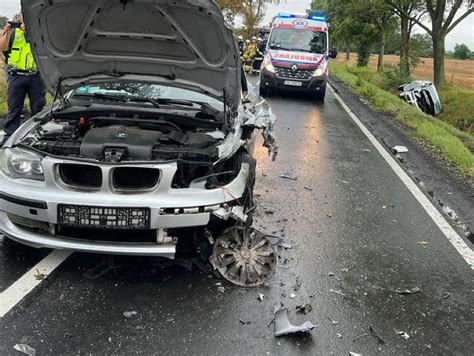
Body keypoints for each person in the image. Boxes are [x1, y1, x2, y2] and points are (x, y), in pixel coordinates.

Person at [0, 13, 46, 145]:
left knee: (38, 107)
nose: (21, 24)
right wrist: (7, 32)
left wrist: (30, 33)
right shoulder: (13, 33)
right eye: (19, 22)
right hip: (16, 76)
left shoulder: (38, 33)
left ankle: (35, 135)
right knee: (14, 107)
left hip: (36, 76)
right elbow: (2, 48)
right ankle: (9, 137)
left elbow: (43, 48)